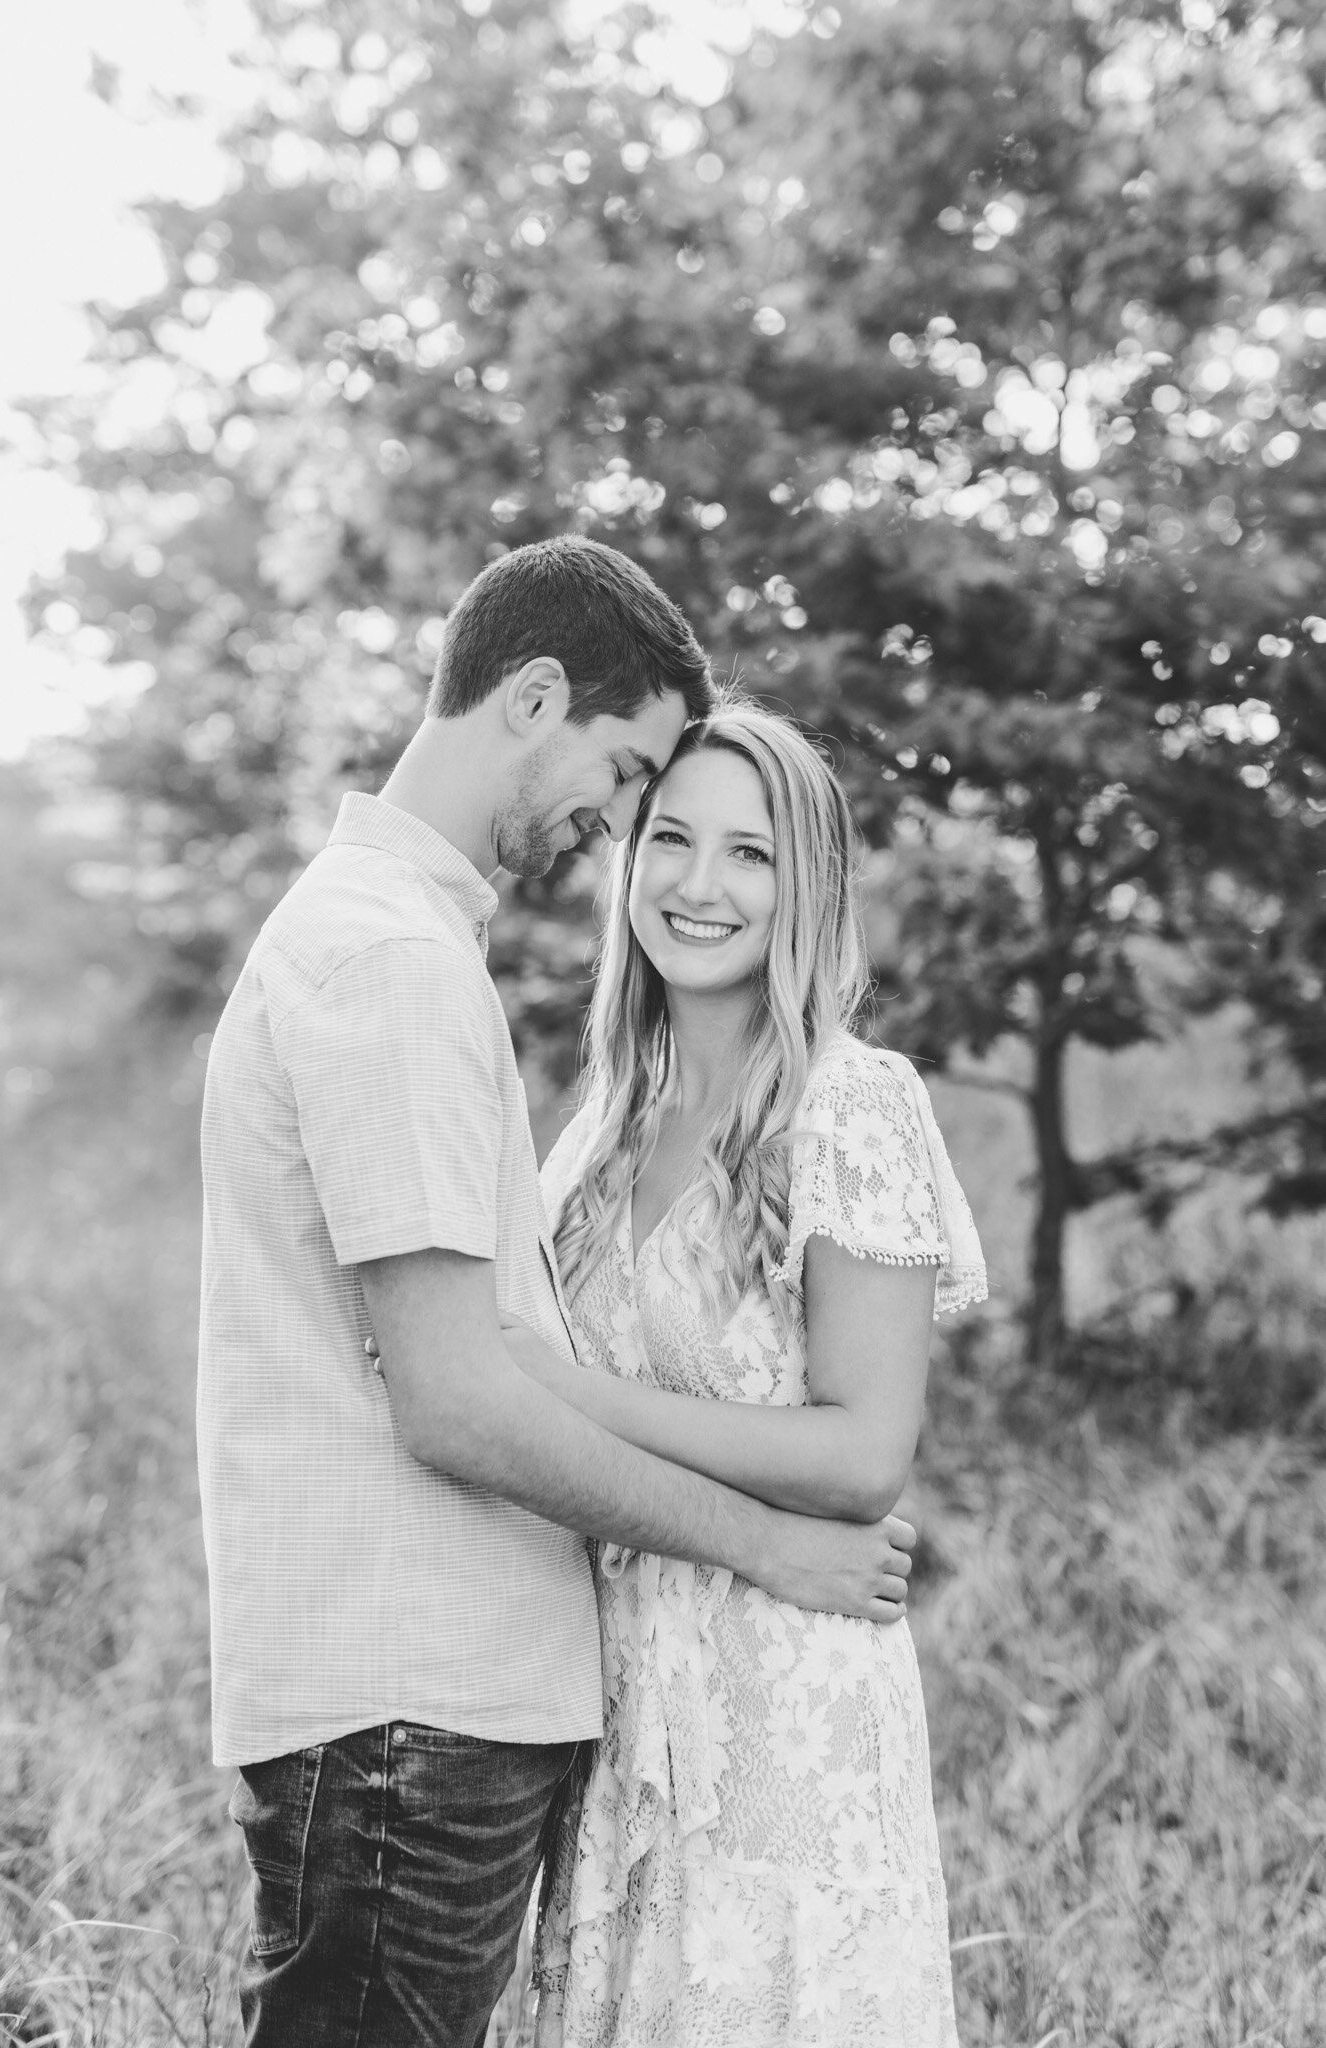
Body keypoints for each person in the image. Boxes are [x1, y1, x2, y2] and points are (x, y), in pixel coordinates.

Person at [197, 537, 918, 2048]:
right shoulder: (395, 963)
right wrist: (762, 1545)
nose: (621, 831)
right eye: (638, 788)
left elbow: (853, 1436)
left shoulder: (413, 952)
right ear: (532, 697)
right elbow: (460, 1398)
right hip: (412, 1688)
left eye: (744, 848)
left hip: (564, 1703)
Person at [508, 698, 987, 2046]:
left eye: (751, 854)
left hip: (788, 1696)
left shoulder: (852, 1102)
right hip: (611, 1690)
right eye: (669, 838)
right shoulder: (600, 1124)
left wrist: (562, 1393)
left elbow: (862, 1453)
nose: (698, 886)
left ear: (806, 888)